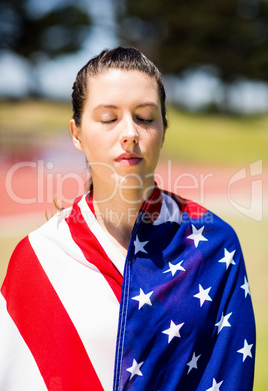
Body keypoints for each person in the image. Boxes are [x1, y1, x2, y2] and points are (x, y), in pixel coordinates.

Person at [0, 46, 255, 391]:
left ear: (163, 130)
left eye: (146, 117)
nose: (130, 133)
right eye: (108, 118)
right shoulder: (38, 259)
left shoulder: (214, 244)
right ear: (76, 134)